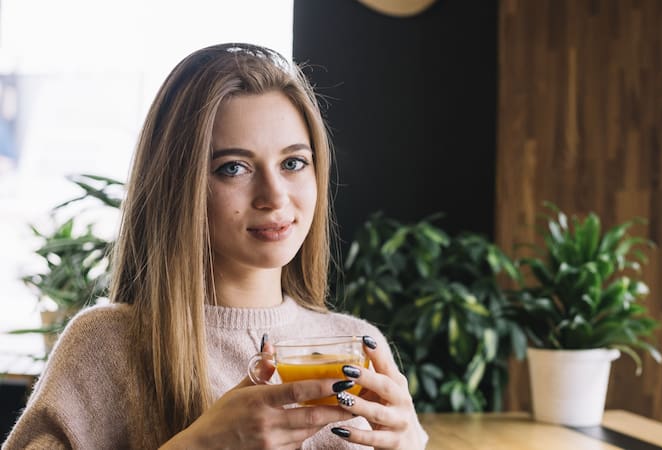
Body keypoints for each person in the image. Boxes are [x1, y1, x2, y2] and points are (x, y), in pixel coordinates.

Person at [3, 43, 427, 450]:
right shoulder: (107, 345)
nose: (274, 196)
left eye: (293, 162)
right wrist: (199, 444)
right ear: (178, 185)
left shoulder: (357, 343)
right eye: (233, 168)